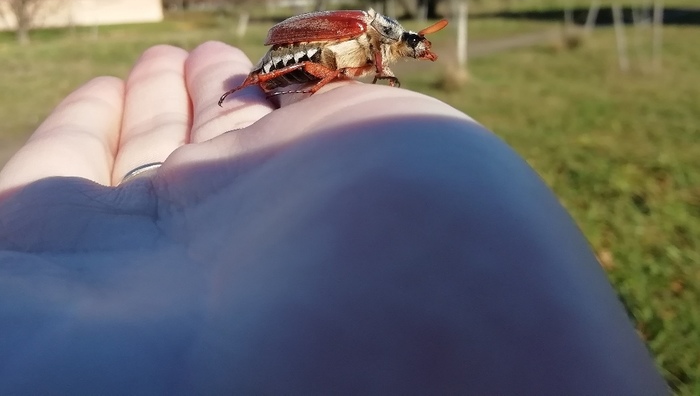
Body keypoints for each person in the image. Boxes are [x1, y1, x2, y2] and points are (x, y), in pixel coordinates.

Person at [0, 41, 666, 394]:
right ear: (382, 43)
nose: (403, 55)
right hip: (305, 57)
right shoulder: (353, 41)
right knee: (304, 70)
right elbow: (319, 59)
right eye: (401, 48)